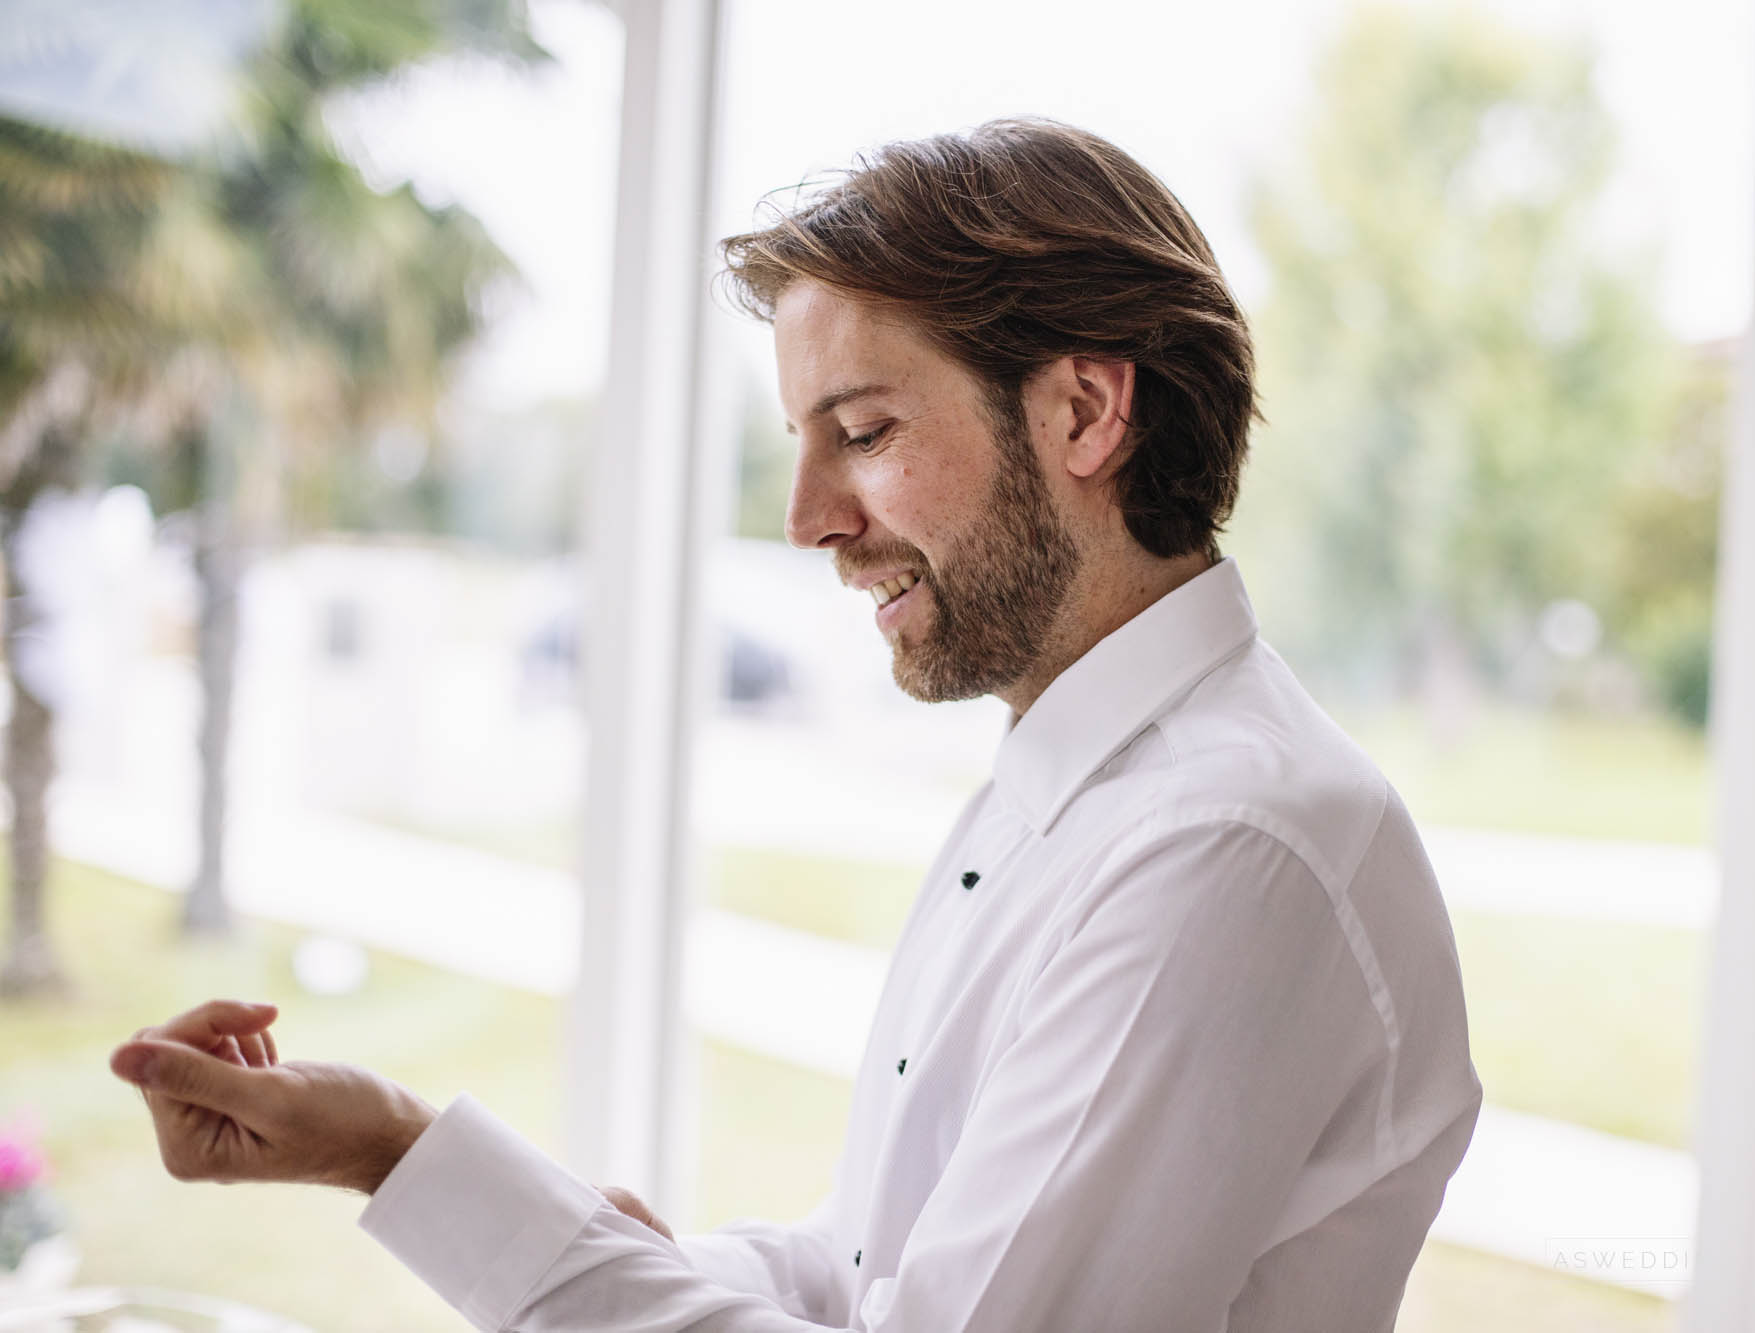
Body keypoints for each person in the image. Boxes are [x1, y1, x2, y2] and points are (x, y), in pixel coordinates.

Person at [111, 118, 1482, 1333]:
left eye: (865, 432)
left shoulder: (1227, 843)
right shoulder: (1068, 791)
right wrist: (574, 1235)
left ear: (1084, 411)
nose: (809, 520)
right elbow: (866, 1267)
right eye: (802, 443)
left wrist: (400, 1154)